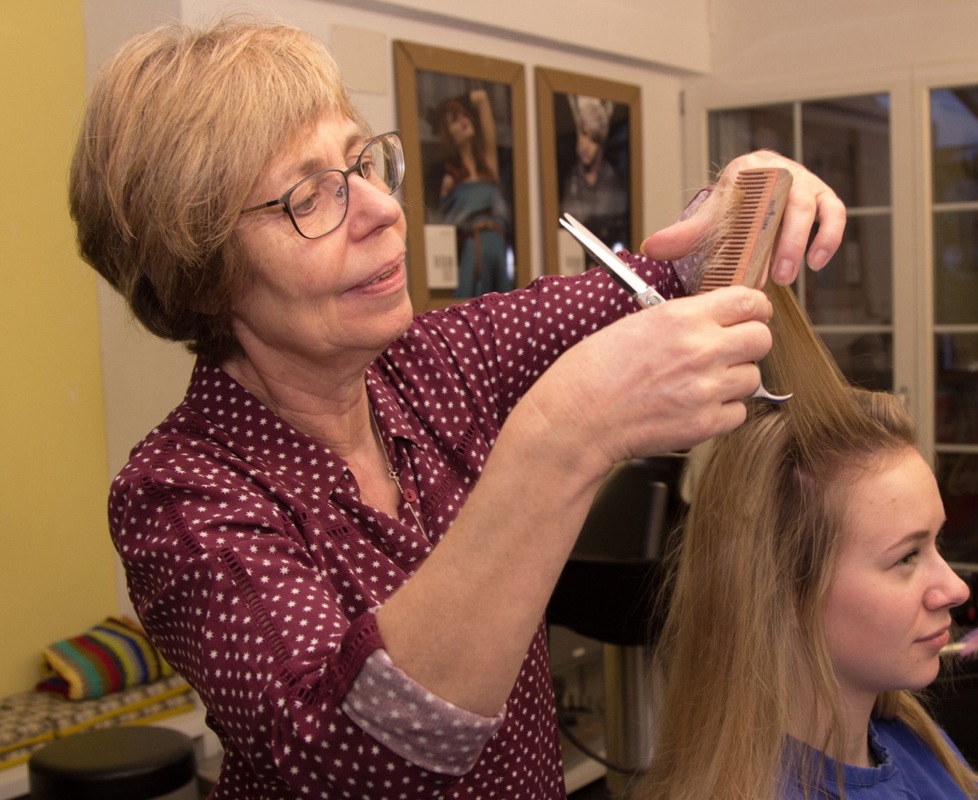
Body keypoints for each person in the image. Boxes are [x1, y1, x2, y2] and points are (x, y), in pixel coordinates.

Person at [67, 13, 845, 800]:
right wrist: (565, 434)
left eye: (363, 164)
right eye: (312, 198)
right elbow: (362, 759)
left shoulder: (437, 362)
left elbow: (676, 276)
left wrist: (756, 187)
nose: (382, 210)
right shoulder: (181, 495)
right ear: (202, 275)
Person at [634, 281, 978, 800]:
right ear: (782, 593)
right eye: (907, 557)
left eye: (937, 544)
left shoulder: (920, 744)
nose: (955, 588)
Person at [432, 88, 512, 297]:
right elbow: (443, 231)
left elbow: (482, 98)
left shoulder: (488, 167)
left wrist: (455, 103)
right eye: (454, 120)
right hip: (474, 246)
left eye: (464, 115)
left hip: (499, 243)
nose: (463, 121)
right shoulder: (451, 180)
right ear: (448, 134)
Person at [559, 93, 629, 251]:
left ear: (601, 144)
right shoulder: (569, 181)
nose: (586, 145)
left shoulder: (612, 181)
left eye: (594, 139)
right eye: (584, 134)